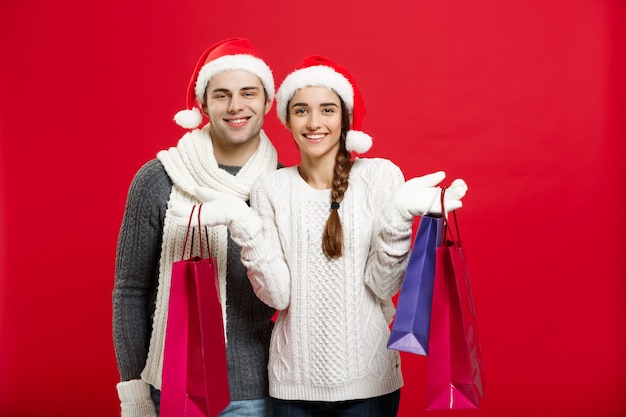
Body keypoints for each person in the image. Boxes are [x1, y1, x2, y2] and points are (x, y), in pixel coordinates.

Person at [174, 55, 468, 417]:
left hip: (370, 383)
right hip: (292, 386)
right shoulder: (270, 187)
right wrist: (243, 224)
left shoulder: (379, 176)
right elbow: (277, 296)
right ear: (286, 119)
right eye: (301, 111)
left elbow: (382, 285)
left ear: (345, 117)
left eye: (327, 110)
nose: (314, 123)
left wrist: (398, 217)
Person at [112, 37, 280, 417]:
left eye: (248, 93)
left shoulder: (284, 185)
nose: (236, 106)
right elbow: (131, 292)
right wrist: (135, 394)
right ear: (202, 104)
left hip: (262, 392)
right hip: (173, 390)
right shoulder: (160, 179)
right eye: (221, 95)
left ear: (268, 102)